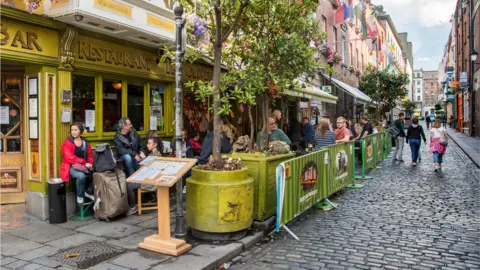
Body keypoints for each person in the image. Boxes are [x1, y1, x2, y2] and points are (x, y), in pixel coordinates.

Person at [60, 123, 94, 204]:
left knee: (97, 173)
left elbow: (90, 155)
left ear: (80, 131)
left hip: (84, 166)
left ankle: (89, 192)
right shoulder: (68, 143)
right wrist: (84, 163)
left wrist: (90, 164)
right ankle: (80, 197)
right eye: (72, 130)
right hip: (71, 167)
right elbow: (69, 158)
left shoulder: (85, 142)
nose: (73, 132)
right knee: (81, 176)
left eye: (76, 130)